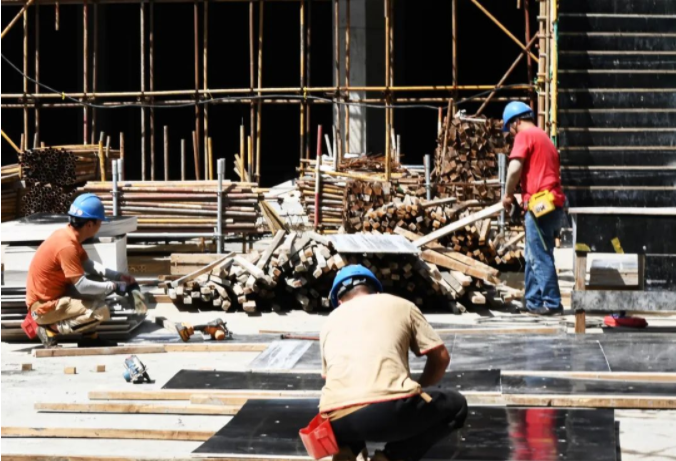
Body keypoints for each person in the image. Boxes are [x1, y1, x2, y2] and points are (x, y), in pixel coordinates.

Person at [319, 265, 468, 461]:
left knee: (352, 399)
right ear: (377, 292)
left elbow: (330, 378)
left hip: (334, 423)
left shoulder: (329, 322)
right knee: (456, 406)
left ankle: (346, 451)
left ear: (339, 302)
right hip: (389, 414)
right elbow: (441, 358)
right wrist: (420, 388)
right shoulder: (402, 305)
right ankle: (389, 458)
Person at [26, 193, 136, 347]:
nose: (100, 226)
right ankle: (50, 329)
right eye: (99, 223)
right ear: (89, 224)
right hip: (43, 308)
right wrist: (113, 286)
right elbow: (82, 286)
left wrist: (118, 276)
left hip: (55, 297)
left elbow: (88, 265)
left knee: (97, 284)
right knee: (101, 311)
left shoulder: (67, 235)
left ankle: (89, 337)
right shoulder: (67, 247)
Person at [501, 101, 566, 315]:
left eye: (510, 129)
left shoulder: (525, 135)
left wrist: (508, 194)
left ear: (517, 121)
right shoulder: (543, 137)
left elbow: (514, 168)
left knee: (539, 255)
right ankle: (533, 301)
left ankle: (552, 303)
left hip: (541, 204)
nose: (511, 135)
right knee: (532, 254)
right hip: (551, 203)